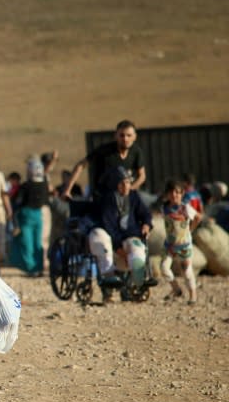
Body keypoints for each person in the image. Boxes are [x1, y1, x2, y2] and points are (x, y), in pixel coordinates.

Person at [90, 166, 153, 300]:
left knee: (137, 248)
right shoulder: (108, 200)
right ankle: (109, 285)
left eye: (128, 182)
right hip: (112, 239)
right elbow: (109, 227)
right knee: (101, 239)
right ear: (115, 184)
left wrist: (147, 224)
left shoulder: (134, 196)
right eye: (122, 183)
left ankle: (137, 280)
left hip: (129, 236)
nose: (126, 186)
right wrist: (118, 248)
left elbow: (145, 213)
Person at [61, 119, 146, 202]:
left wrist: (130, 188)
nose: (125, 139)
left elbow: (142, 176)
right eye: (122, 135)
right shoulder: (104, 151)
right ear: (115, 136)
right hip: (104, 198)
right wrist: (67, 190)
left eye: (129, 135)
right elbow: (81, 165)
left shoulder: (136, 152)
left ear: (135, 137)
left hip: (124, 198)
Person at [160, 179, 202, 304]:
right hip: (170, 246)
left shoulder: (185, 208)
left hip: (184, 245)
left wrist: (191, 229)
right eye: (172, 192)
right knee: (164, 268)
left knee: (187, 271)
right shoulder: (165, 208)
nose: (174, 195)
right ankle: (176, 288)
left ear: (182, 194)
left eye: (177, 193)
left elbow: (198, 217)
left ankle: (192, 295)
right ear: (167, 194)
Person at [9, 157, 50, 277]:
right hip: (38, 215)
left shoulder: (26, 186)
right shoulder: (44, 184)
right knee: (37, 243)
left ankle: (32, 269)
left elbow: (18, 202)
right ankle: (38, 268)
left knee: (28, 244)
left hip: (27, 215)